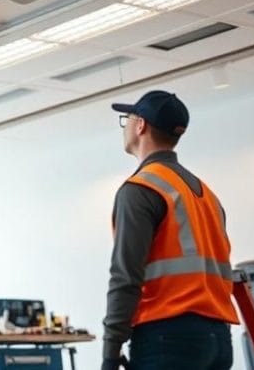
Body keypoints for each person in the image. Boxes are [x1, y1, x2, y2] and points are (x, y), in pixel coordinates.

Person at [101, 90, 239, 370]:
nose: (125, 125)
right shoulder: (206, 196)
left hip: (167, 339)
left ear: (141, 125)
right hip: (218, 339)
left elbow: (126, 276)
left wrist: (110, 351)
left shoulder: (141, 189)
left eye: (127, 118)